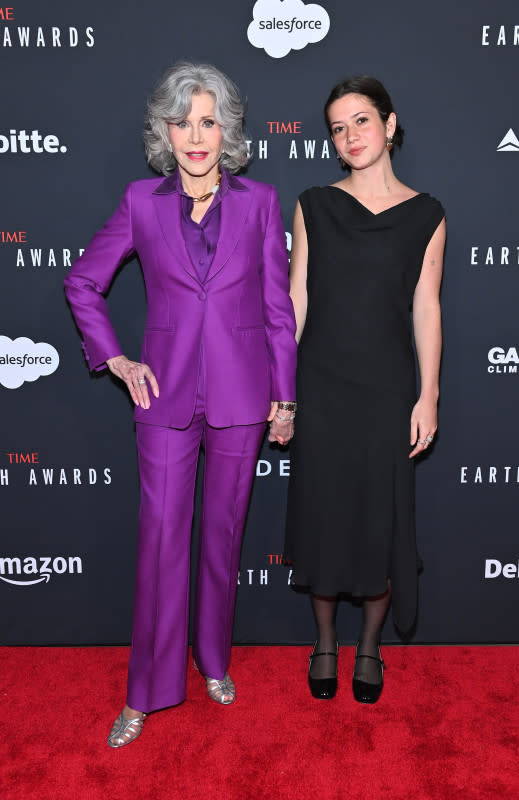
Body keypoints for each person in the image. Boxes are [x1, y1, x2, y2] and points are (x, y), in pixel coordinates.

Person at [64, 62, 297, 746]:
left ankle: (214, 662)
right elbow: (84, 284)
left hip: (242, 398)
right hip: (161, 396)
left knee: (221, 540)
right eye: (182, 121)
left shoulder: (259, 202)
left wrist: (284, 398)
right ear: (164, 131)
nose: (195, 135)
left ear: (225, 130)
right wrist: (116, 358)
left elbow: (277, 310)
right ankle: (146, 691)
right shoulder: (141, 201)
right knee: (161, 539)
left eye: (207, 120)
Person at [284, 75, 445, 704]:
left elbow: (426, 308)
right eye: (337, 127)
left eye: (360, 121)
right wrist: (283, 391)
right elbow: (296, 301)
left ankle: (370, 646)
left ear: (390, 124)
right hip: (320, 385)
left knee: (379, 522)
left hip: (386, 391)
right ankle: (325, 641)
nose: (349, 136)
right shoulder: (314, 205)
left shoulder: (427, 212)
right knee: (326, 517)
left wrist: (428, 395)